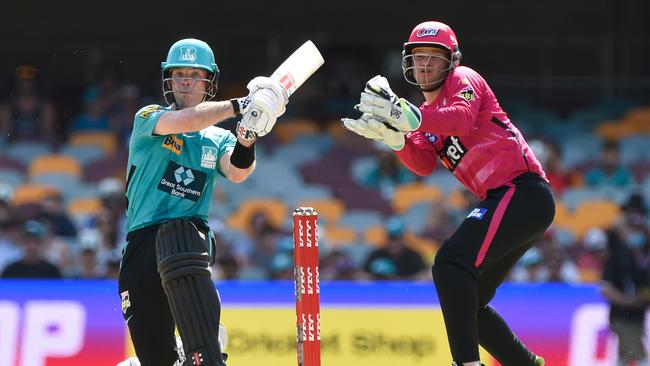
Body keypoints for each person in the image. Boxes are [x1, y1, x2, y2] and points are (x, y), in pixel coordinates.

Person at [342, 21, 554, 366]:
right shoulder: (426, 116)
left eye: (434, 58)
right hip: (508, 199)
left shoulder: (463, 80)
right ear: (408, 63)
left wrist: (407, 116)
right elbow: (423, 163)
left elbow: (460, 119)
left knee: (450, 264)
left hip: (522, 192)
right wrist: (395, 139)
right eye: (418, 56)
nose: (425, 64)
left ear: (452, 61)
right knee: (468, 303)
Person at [118, 38, 287, 366]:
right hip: (142, 244)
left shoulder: (219, 138)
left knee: (180, 235)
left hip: (188, 240)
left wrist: (249, 133)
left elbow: (237, 171)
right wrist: (242, 104)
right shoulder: (149, 117)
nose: (185, 80)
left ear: (208, 81)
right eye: (179, 73)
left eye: (194, 74)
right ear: (168, 79)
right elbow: (187, 122)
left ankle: (203, 350)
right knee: (155, 358)